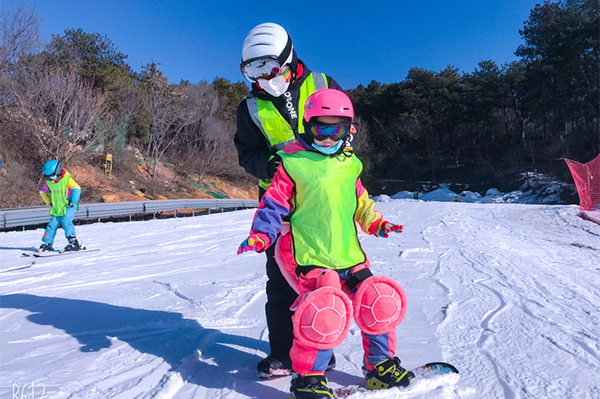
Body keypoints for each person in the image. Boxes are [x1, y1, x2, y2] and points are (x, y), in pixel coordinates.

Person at [238, 89, 414, 398]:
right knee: (325, 309)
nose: (329, 137)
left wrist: (376, 222)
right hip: (308, 255)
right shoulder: (292, 161)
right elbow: (274, 203)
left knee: (379, 300)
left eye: (337, 129)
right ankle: (308, 378)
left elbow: (361, 202)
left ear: (349, 130)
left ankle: (379, 368)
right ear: (308, 125)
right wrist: (262, 234)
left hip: (347, 254)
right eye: (322, 128)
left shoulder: (350, 164)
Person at [234, 22, 344, 379]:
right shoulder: (250, 106)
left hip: (322, 205)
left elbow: (345, 129)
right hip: (280, 210)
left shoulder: (324, 85)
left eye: (268, 66)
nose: (262, 77)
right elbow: (246, 153)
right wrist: (269, 164)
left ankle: (319, 350)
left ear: (289, 58)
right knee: (280, 284)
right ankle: (282, 353)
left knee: (324, 283)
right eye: (252, 70)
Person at [38, 160, 82, 252]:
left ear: (58, 172)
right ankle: (47, 243)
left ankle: (73, 243)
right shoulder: (49, 182)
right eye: (48, 177)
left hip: (68, 206)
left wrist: (73, 201)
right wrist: (49, 202)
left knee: (66, 222)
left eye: (52, 176)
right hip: (57, 207)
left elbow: (77, 189)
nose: (50, 178)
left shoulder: (67, 179)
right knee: (52, 225)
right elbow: (42, 192)